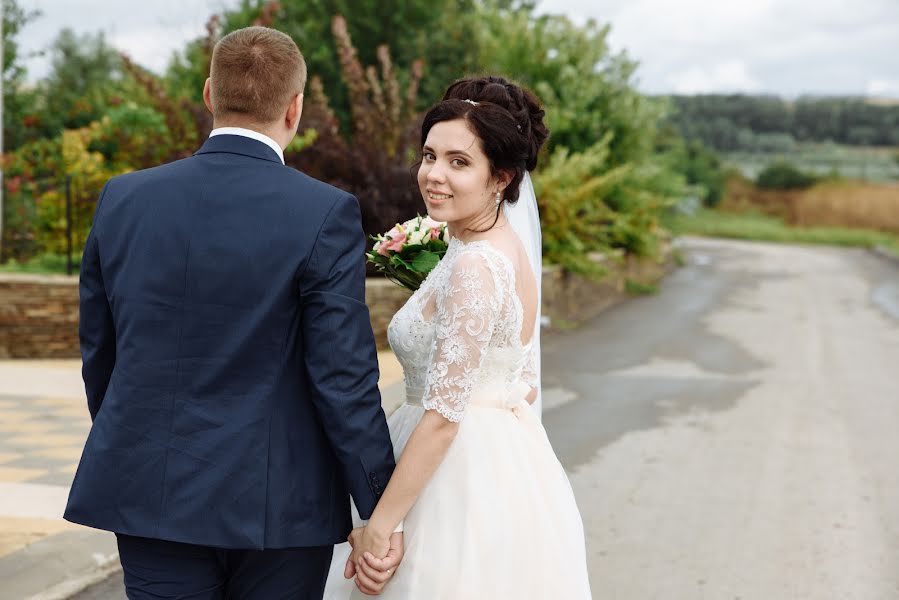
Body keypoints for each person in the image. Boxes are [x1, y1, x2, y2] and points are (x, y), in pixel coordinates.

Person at [64, 26, 399, 599]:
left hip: (151, 489)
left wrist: (136, 442)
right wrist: (381, 505)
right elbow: (342, 377)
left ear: (208, 95)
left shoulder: (123, 199)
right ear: (295, 108)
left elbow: (101, 352)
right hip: (280, 504)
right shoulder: (323, 213)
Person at [326, 76, 592, 598]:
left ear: (502, 178)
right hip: (502, 461)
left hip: (454, 474)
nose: (433, 175)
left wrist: (381, 526)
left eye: (459, 162)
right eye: (429, 156)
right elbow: (523, 378)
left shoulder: (477, 267)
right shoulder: (486, 248)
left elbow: (446, 418)